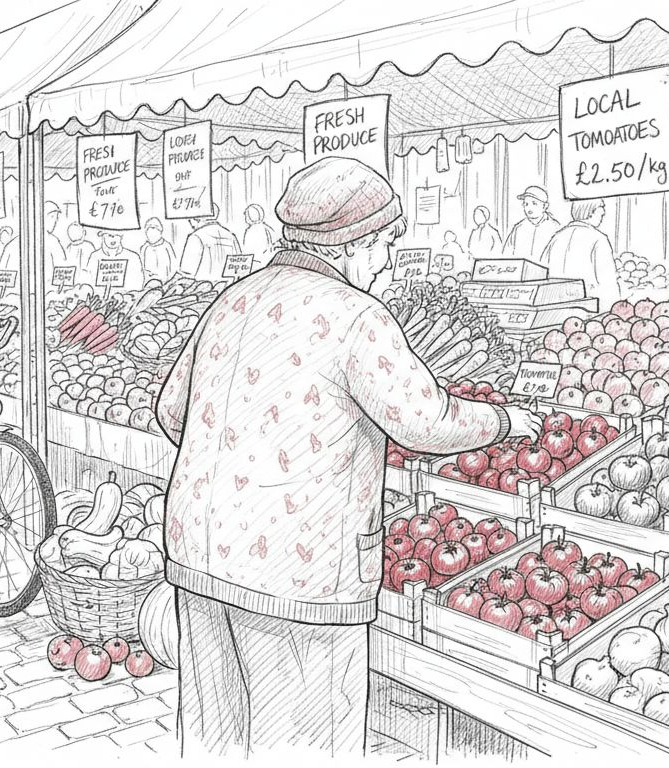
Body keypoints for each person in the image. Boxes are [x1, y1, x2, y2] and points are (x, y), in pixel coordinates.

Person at [155, 157, 539, 757]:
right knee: (308, 740)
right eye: (384, 242)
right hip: (298, 574)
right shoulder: (357, 316)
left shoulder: (232, 300)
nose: (386, 260)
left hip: (200, 551)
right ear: (351, 244)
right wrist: (504, 420)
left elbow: (171, 412)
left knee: (214, 736)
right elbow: (424, 420)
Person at [540, 199, 620, 304]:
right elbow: (608, 283)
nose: (603, 212)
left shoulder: (557, 237)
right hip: (589, 307)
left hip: (556, 306)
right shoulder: (599, 239)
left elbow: (541, 273)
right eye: (601, 207)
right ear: (590, 210)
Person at [178, 204, 242, 281]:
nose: (190, 223)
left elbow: (187, 270)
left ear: (198, 217)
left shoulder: (195, 236)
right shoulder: (231, 236)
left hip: (204, 288)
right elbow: (239, 269)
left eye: (191, 218)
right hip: (228, 287)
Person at [501, 185, 559, 264]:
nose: (529, 208)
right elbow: (507, 254)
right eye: (526, 204)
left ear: (545, 206)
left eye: (534, 203)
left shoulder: (555, 227)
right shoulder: (518, 228)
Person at [241, 204, 277, 268]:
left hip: (255, 263)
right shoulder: (267, 227)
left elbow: (247, 251)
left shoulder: (251, 230)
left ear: (251, 215)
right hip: (267, 262)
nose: (245, 217)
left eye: (246, 214)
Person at [44, 201, 69, 268]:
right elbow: (62, 265)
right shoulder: (52, 241)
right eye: (55, 217)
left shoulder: (17, 240)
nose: (56, 222)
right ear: (50, 216)